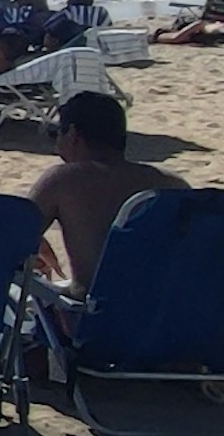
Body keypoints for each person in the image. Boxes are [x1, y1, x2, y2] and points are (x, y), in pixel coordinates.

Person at [28, 90, 183, 293]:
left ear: (73, 134)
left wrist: (36, 242)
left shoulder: (63, 180)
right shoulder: (173, 185)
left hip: (98, 318)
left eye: (56, 133)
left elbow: (8, 239)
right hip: (169, 313)